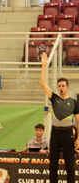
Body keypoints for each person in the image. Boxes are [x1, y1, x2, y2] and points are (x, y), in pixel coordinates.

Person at [40, 52, 79, 183]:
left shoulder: (74, 102)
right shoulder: (54, 98)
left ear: (67, 87)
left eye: (63, 86)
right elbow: (42, 84)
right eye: (59, 86)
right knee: (53, 166)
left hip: (68, 134)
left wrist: (78, 138)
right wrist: (44, 66)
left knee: (70, 166)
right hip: (55, 134)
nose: (61, 88)